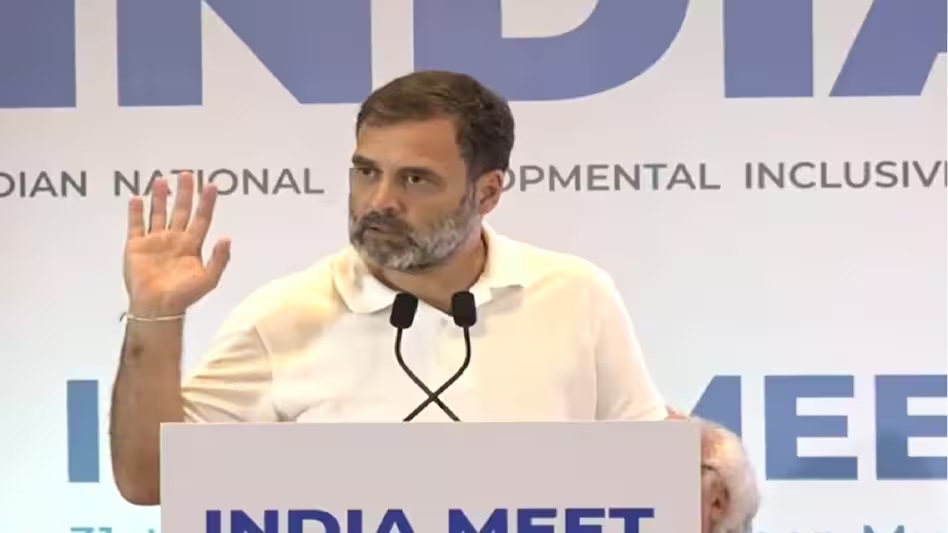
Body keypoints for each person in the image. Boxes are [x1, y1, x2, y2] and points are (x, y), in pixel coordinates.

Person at [108, 70, 745, 510]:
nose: (379, 201)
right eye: (366, 172)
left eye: (415, 179)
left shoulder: (577, 295)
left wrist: (701, 474)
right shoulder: (283, 315)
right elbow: (149, 480)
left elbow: (643, 481)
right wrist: (153, 317)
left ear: (487, 192)